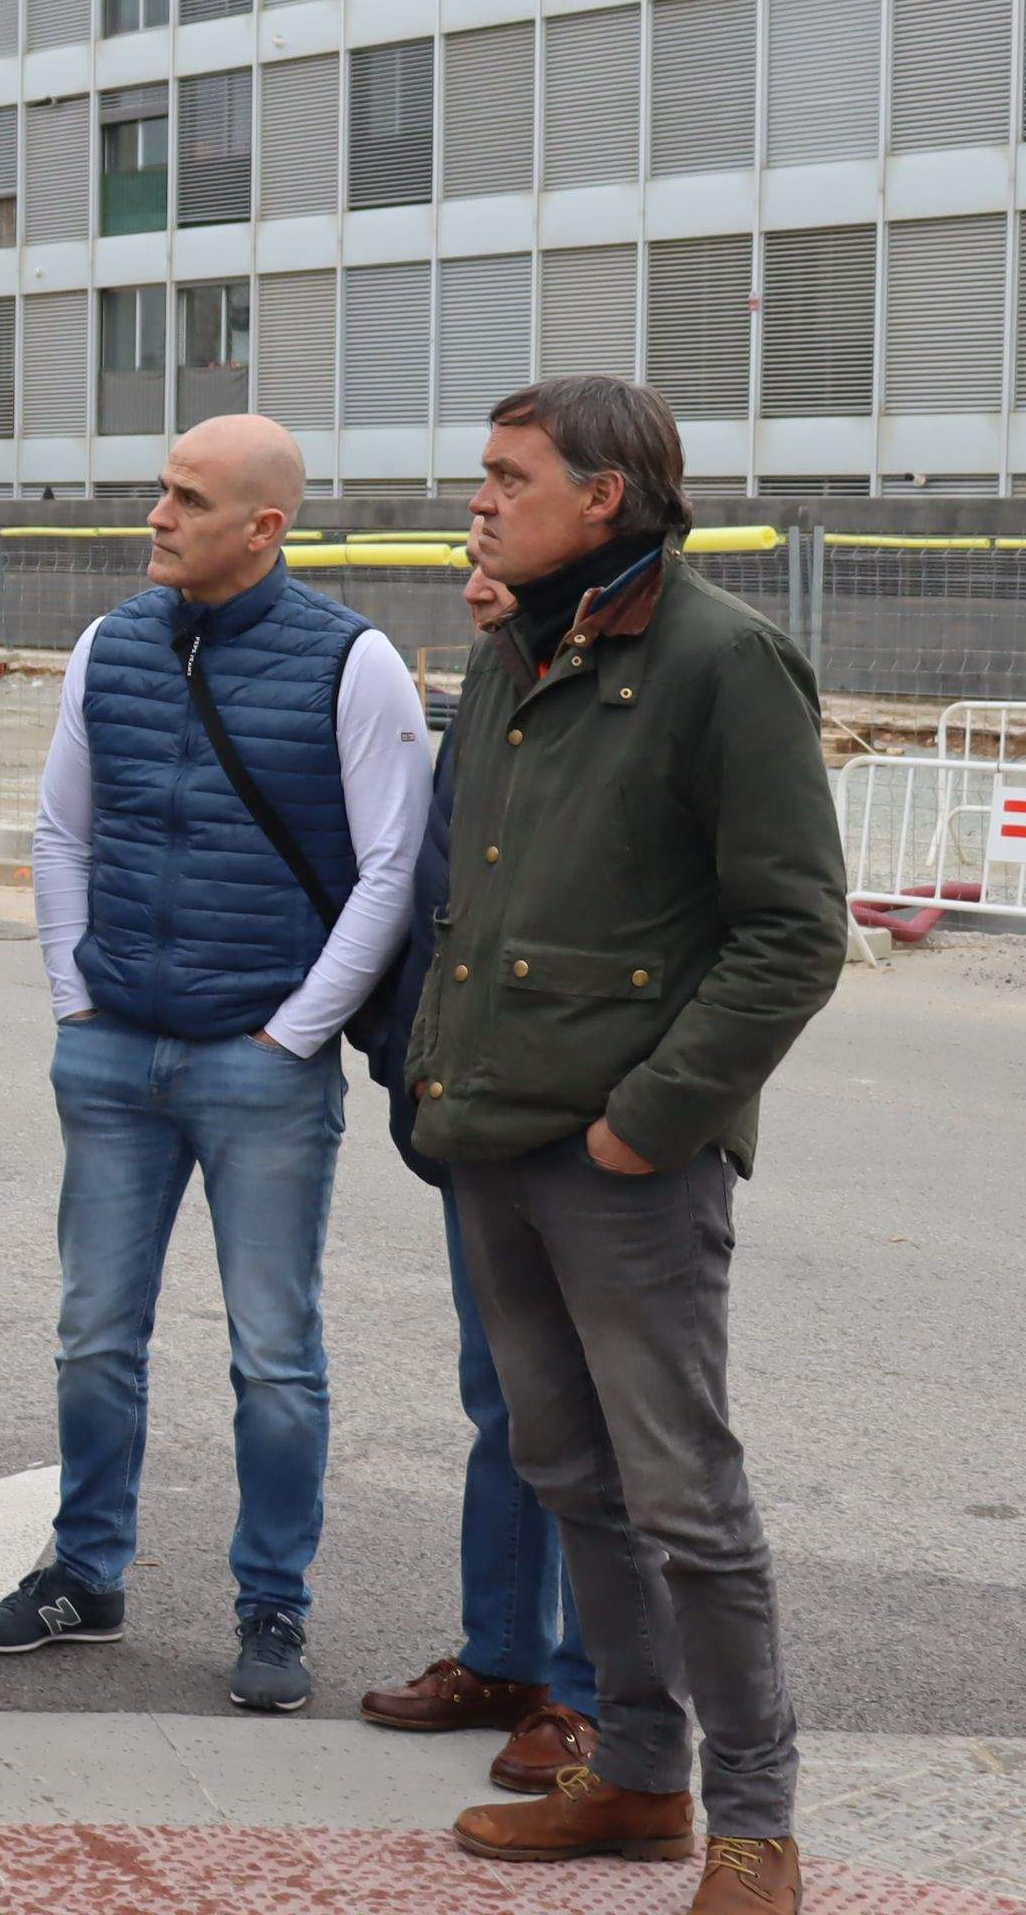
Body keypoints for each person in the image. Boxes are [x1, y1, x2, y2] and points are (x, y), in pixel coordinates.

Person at [416, 377, 845, 1915]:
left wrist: (643, 1127)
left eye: (508, 476)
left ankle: (754, 1823)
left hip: (621, 1166)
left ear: (606, 496)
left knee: (684, 1501)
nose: (479, 500)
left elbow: (794, 934)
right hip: (497, 1142)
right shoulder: (514, 649)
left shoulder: (723, 663)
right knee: (570, 1477)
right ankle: (640, 1779)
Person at [0, 415, 427, 1715]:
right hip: (115, 1052)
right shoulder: (112, 644)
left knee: (276, 1355)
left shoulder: (355, 662)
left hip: (261, 1067)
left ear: (263, 527)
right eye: (160, 490)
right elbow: (59, 832)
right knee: (93, 1337)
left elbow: (392, 870)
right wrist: (74, 999)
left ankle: (273, 1604)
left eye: (187, 497)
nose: (156, 516)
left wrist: (294, 1031)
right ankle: (86, 1573)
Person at [357, 559, 600, 1793]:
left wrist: (649, 1114)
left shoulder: (670, 675)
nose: (475, 552)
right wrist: (404, 1051)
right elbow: (443, 878)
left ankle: (590, 1696)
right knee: (505, 1396)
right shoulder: (499, 677)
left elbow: (756, 919)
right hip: (480, 1105)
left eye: (507, 497)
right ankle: (506, 1654)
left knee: (599, 1413)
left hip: (596, 1115)